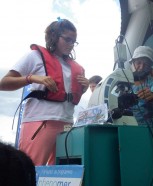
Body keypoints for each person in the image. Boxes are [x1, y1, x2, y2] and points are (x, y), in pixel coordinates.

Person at [0, 19, 89, 166]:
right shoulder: (34, 56)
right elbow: (3, 83)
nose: (71, 44)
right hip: (40, 122)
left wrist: (83, 88)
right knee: (30, 170)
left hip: (67, 125)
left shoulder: (77, 67)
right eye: (67, 39)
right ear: (54, 36)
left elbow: (69, 94)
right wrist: (31, 78)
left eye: (74, 41)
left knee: (62, 174)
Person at [129, 46, 153, 126]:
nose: (141, 67)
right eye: (138, 63)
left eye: (146, 64)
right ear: (133, 63)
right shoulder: (124, 80)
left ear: (150, 67)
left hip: (149, 127)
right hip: (128, 126)